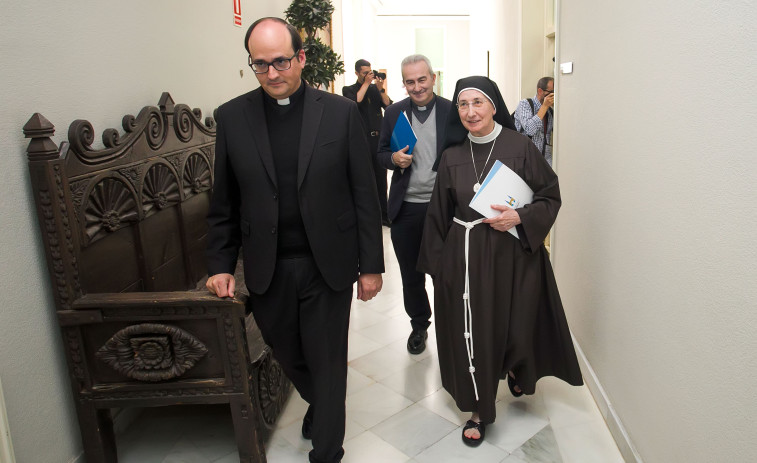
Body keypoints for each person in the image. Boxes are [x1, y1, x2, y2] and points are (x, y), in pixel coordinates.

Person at [205, 17, 384, 463]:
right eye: (260, 64)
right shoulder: (231, 117)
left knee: (327, 361)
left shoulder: (340, 113)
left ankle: (327, 450)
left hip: (330, 262)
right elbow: (223, 201)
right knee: (286, 350)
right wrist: (221, 264)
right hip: (267, 265)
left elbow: (364, 192)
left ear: (301, 58)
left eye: (281, 61)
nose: (272, 73)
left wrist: (372, 265)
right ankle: (322, 405)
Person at [418, 76, 582, 447]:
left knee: (517, 323)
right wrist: (438, 269)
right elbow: (438, 215)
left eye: (478, 103)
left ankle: (518, 368)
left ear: (494, 105)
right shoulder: (451, 156)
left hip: (514, 254)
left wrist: (520, 218)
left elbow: (549, 196)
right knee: (475, 331)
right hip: (468, 255)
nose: (470, 111)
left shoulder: (520, 146)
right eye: (463, 105)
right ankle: (480, 409)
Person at [376, 54, 452, 354]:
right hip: (406, 208)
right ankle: (419, 324)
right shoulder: (394, 113)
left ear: (433, 78)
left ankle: (450, 326)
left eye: (422, 79)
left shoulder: (451, 110)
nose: (417, 87)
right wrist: (393, 159)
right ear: (403, 84)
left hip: (443, 208)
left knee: (445, 273)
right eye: (410, 81)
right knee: (411, 274)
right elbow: (380, 153)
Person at [342, 59, 392, 226]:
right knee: (364, 179)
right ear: (357, 73)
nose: (368, 75)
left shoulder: (373, 89)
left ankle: (384, 216)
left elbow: (388, 105)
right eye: (364, 73)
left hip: (378, 139)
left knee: (381, 179)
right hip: (361, 141)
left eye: (369, 72)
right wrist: (366, 83)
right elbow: (355, 103)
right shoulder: (348, 89)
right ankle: (367, 215)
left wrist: (380, 88)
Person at [513, 76, 555, 166]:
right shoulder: (525, 104)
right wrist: (544, 106)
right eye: (551, 92)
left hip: (543, 159)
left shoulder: (550, 111)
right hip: (524, 158)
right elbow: (529, 130)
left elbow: (549, 138)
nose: (553, 95)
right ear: (540, 91)